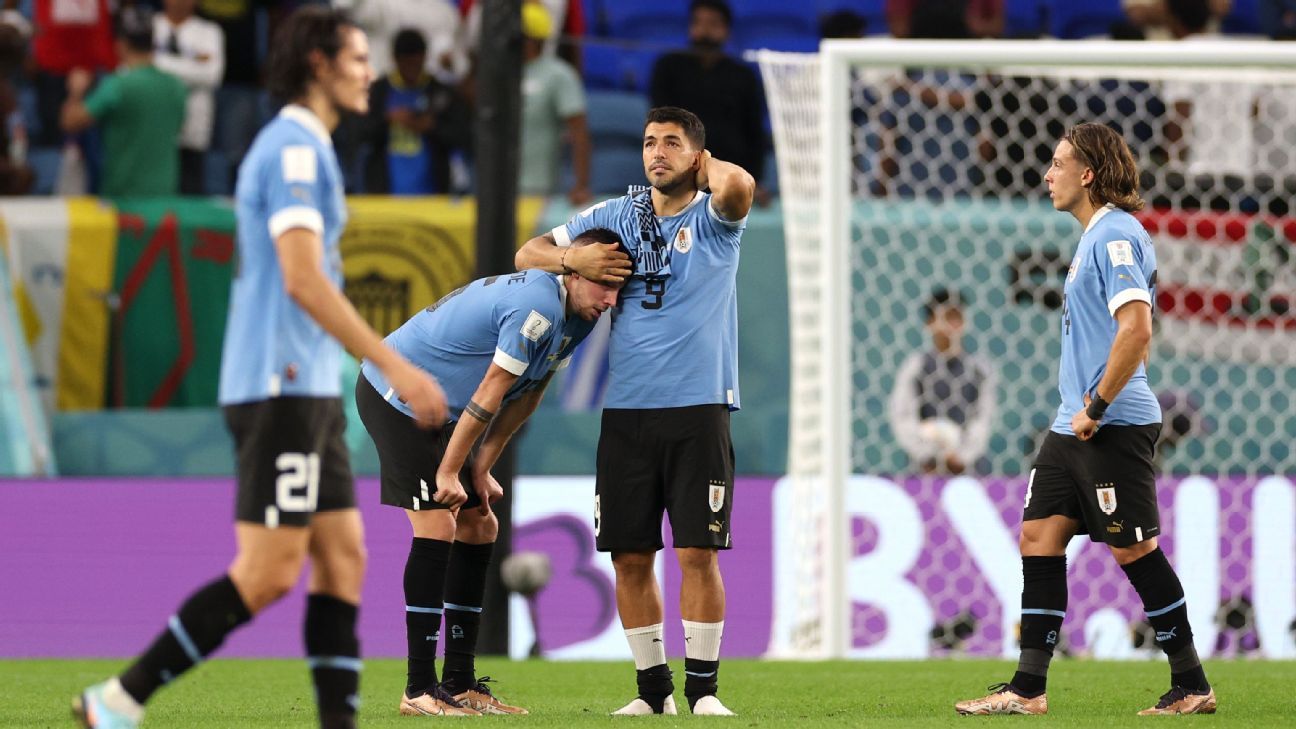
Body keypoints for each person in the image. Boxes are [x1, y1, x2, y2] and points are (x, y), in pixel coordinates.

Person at [73, 9, 447, 729]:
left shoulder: (307, 148)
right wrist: (396, 363)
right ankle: (117, 700)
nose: (370, 71)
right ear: (318, 62)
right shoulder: (295, 150)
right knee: (271, 573)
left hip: (304, 389)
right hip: (278, 387)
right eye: (358, 57)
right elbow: (304, 280)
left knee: (343, 559)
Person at [955, 123, 1216, 716]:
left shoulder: (1116, 237)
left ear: (1088, 174)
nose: (1048, 175)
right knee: (1038, 536)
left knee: (1133, 550)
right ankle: (1027, 689)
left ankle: (1192, 683)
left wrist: (1095, 405)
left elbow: (1137, 329)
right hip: (1069, 424)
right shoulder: (1093, 237)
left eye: (1058, 163)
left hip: (1110, 422)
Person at [516, 106, 755, 717]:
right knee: (629, 555)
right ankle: (654, 695)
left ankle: (703, 692)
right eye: (650, 143)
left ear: (697, 155)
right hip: (625, 412)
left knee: (697, 553)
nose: (656, 153)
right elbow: (527, 253)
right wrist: (576, 262)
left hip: (699, 407)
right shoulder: (618, 215)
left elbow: (739, 188)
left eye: (672, 144)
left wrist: (709, 168)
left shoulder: (713, 220)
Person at [356, 228, 628, 717]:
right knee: (438, 519)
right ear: (572, 270)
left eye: (618, 289)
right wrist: (450, 471)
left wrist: (479, 469)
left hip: (446, 410)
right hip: (397, 395)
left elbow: (527, 395)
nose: (610, 299)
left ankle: (459, 682)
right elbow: (491, 389)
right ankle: (419, 687)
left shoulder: (579, 318)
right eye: (603, 284)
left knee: (481, 521)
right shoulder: (537, 306)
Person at [59, 5, 187, 197]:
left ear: (121, 44)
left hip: (123, 199)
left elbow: (70, 122)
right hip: (164, 199)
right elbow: (179, 127)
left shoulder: (117, 86)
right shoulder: (176, 86)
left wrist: (76, 92)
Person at [649, 1, 768, 206]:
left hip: (732, 175)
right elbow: (660, 123)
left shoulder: (743, 76)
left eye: (713, 24)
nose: (704, 31)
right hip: (681, 172)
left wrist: (753, 181)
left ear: (726, 30)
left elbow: (754, 133)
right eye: (698, 23)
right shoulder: (669, 67)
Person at [888, 287, 997, 475]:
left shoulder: (979, 370)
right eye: (947, 317)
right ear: (930, 323)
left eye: (958, 317)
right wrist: (927, 455)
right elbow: (903, 416)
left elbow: (983, 418)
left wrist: (962, 456)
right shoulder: (916, 367)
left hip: (968, 472)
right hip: (923, 470)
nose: (953, 324)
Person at [360, 28, 470, 194]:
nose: (412, 70)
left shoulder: (441, 93)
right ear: (396, 60)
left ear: (425, 58)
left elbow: (462, 136)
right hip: (385, 193)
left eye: (417, 64)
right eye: (407, 64)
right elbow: (361, 133)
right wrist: (388, 120)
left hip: (433, 192)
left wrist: (431, 126)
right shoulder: (379, 92)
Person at [518, 1, 591, 205]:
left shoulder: (559, 75)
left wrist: (581, 185)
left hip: (542, 191)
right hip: (500, 188)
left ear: (531, 38)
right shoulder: (502, 74)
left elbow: (579, 134)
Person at [153, 0, 225, 194]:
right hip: (152, 128)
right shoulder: (150, 26)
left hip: (193, 128)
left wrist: (157, 64)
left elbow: (212, 75)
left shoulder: (209, 31)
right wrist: (191, 65)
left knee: (190, 191)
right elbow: (131, 67)